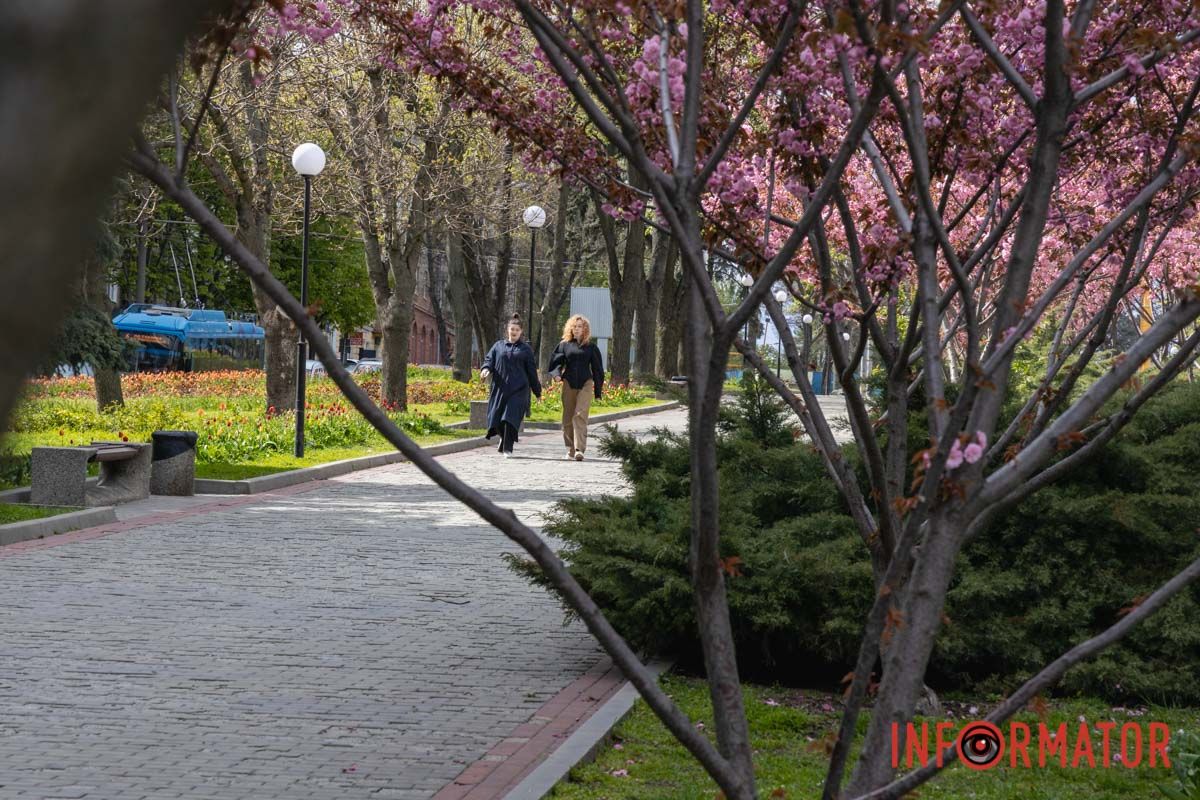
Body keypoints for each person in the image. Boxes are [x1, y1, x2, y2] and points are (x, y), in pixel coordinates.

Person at [481, 314, 541, 457]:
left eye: (517, 330)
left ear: (521, 332)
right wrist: (485, 370)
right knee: (497, 419)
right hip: (500, 389)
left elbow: (532, 372)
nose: (514, 332)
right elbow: (489, 360)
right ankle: (503, 438)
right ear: (507, 330)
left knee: (509, 417)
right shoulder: (498, 346)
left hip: (519, 390)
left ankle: (508, 448)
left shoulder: (525, 349)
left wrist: (537, 391)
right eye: (512, 329)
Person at [547, 314, 604, 461]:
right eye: (574, 326)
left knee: (580, 414)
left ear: (585, 329)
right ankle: (570, 449)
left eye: (580, 326)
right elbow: (555, 363)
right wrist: (557, 374)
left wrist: (598, 391)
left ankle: (579, 449)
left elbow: (598, 370)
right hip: (569, 383)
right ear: (570, 328)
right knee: (567, 417)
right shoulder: (564, 345)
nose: (577, 329)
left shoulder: (591, 347)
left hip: (586, 382)